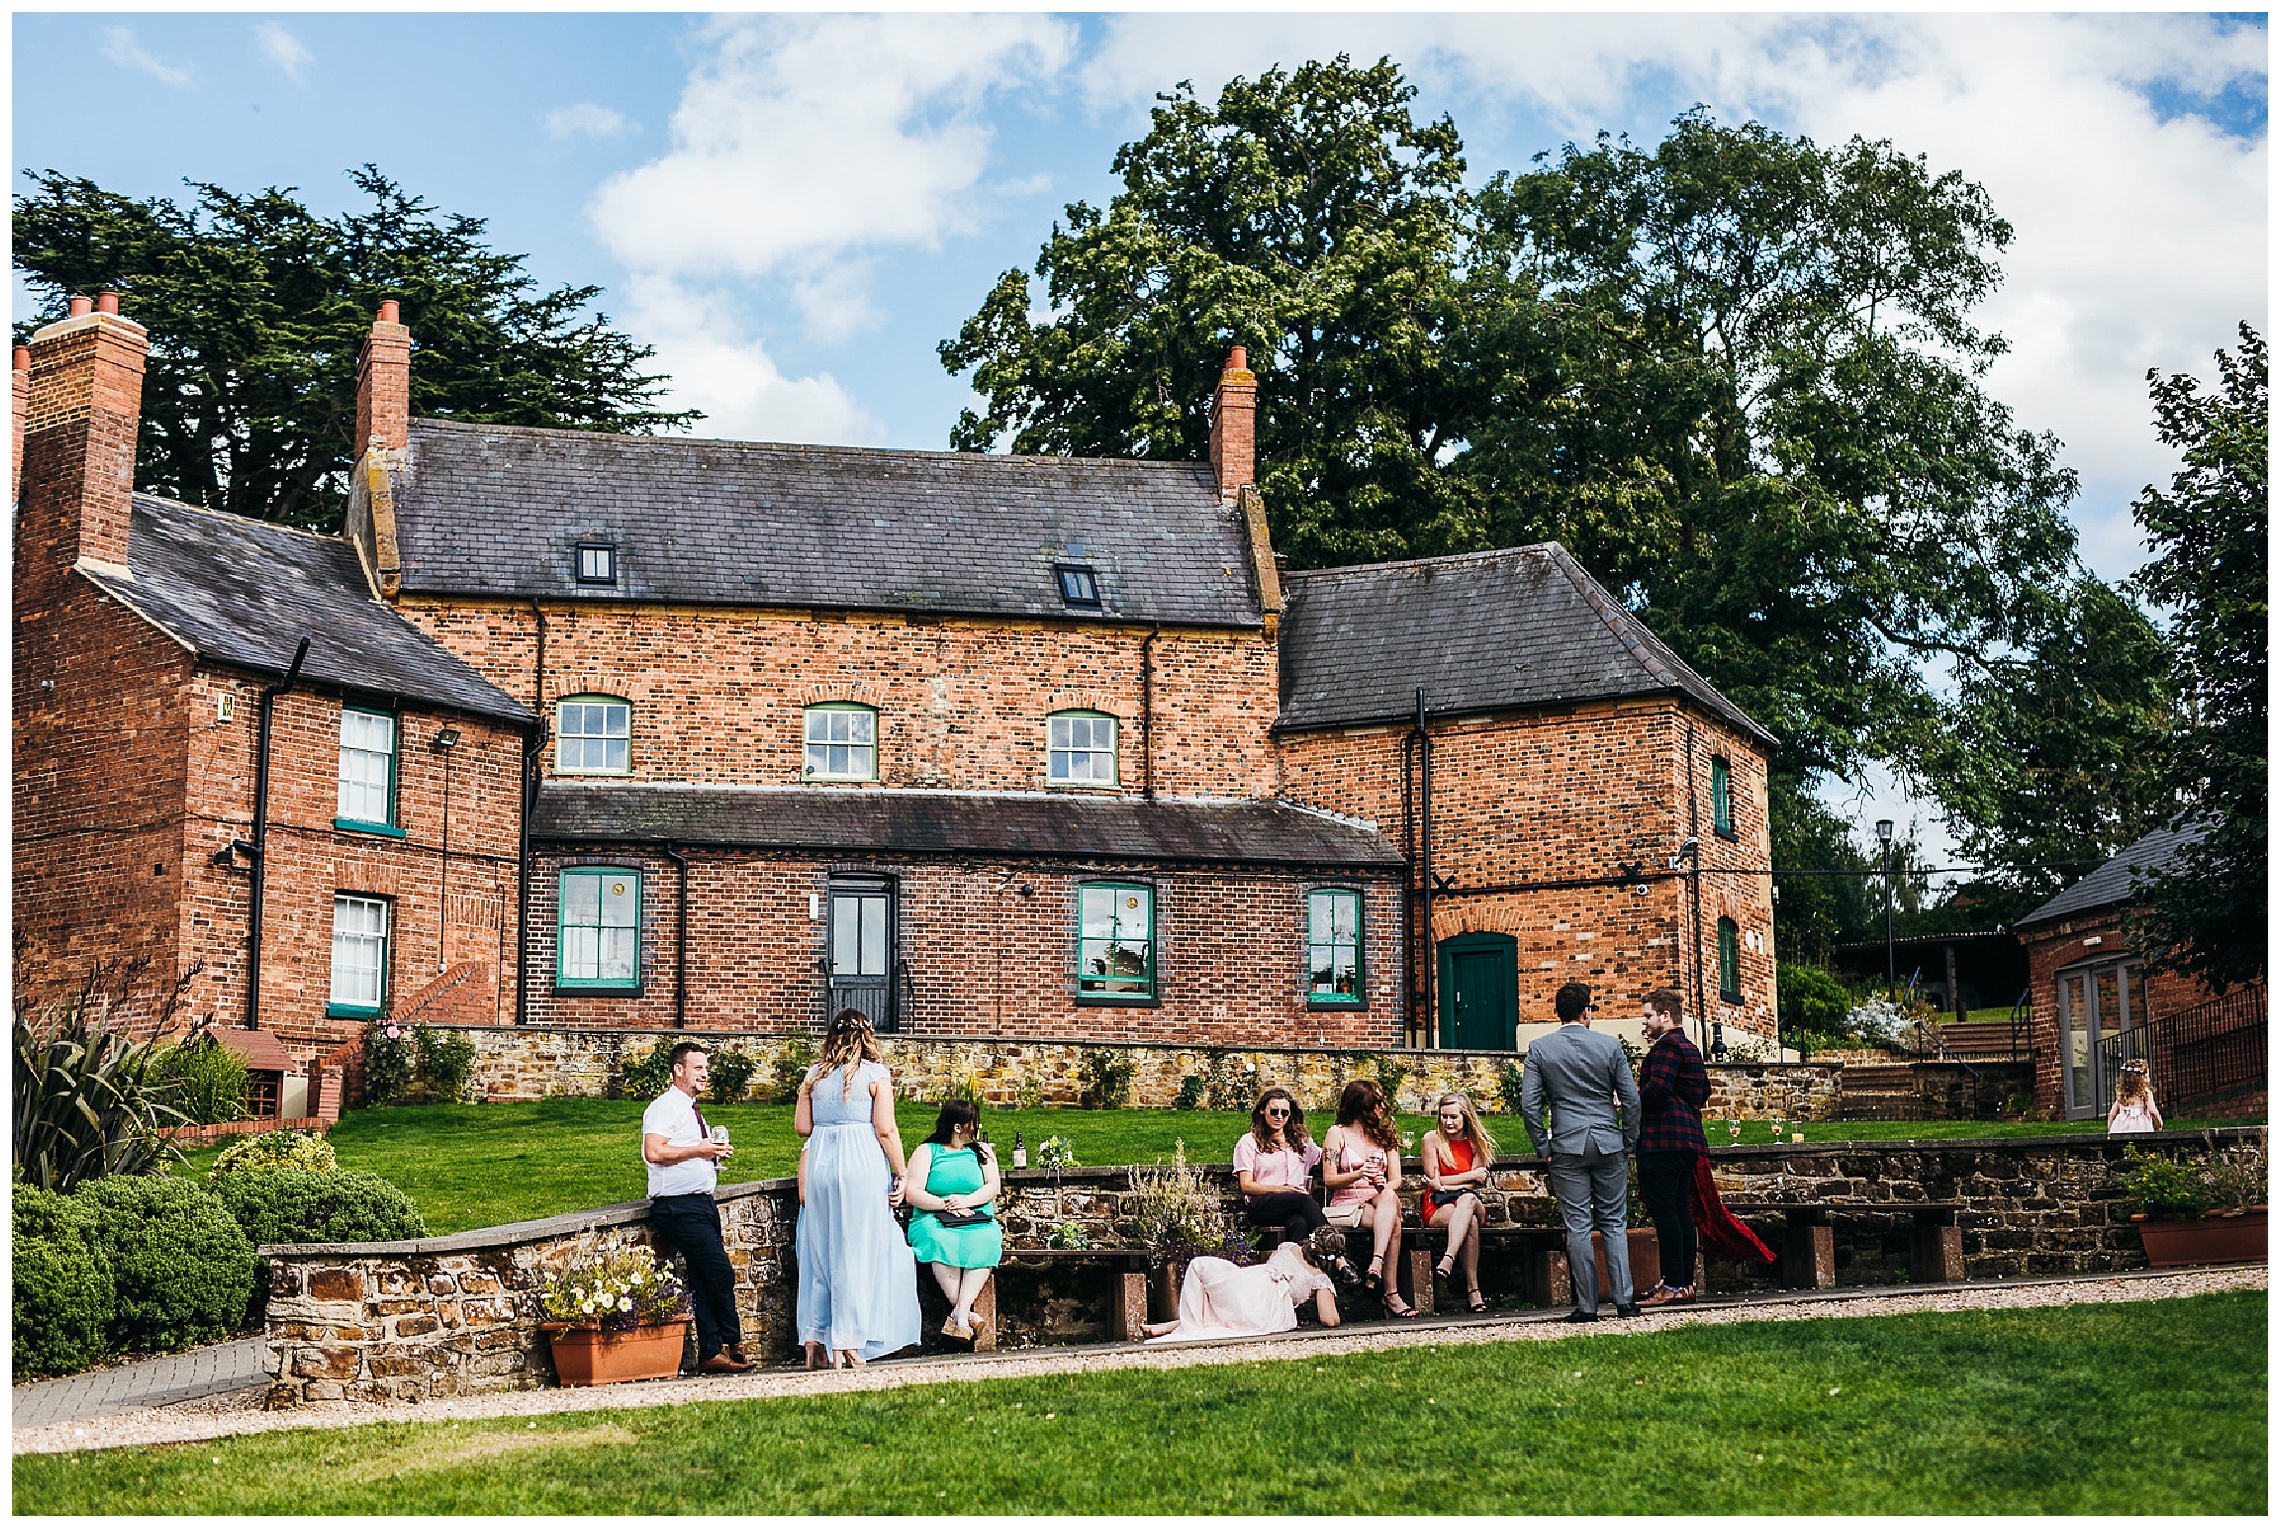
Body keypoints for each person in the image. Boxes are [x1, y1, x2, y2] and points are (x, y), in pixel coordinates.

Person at [795, 1008, 921, 1368]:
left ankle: (814, 1336)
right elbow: (885, 1130)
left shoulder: (813, 1076)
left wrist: (815, 1102)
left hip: (821, 1164)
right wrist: (902, 1172)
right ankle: (847, 1341)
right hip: (859, 1165)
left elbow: (803, 1128)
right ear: (868, 1037)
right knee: (853, 1251)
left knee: (822, 1252)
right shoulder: (875, 1075)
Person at [1519, 981, 1643, 1322]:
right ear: (1586, 1010)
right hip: (1607, 1142)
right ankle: (1624, 1301)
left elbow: (1529, 1105)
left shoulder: (1540, 1048)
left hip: (1567, 1145)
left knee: (1577, 1225)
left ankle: (1587, 1306)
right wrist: (1628, 1140)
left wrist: (1543, 1145)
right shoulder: (1609, 1044)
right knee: (1615, 1222)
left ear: (1558, 1012)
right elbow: (1631, 1100)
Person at [640, 1041, 752, 1373]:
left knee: (704, 1277)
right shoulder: (664, 1107)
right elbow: (654, 1151)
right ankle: (734, 1341)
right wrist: (699, 1150)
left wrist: (711, 1156)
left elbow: (687, 1148)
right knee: (719, 1270)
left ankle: (710, 1353)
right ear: (679, 1070)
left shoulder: (690, 1108)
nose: (705, 1074)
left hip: (701, 1204)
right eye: (698, 1068)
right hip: (677, 1207)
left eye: (706, 1068)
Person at [1633, 988, 1709, 1308]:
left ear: (1666, 1016)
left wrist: (1627, 1097)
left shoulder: (1666, 1047)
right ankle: (1683, 1283)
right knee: (1681, 1212)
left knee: (1666, 1214)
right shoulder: (1690, 1048)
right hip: (1688, 1140)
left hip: (1662, 1141)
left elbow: (1656, 1091)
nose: (1645, 1022)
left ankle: (1675, 1284)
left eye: (1649, 1015)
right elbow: (1703, 1091)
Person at [1142, 1226, 1349, 1343]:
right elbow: (1330, 1320)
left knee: (1200, 1267)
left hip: (1249, 1285)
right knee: (1222, 1312)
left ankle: (1171, 1326)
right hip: (1261, 1302)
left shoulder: (1290, 1249)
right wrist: (1338, 1273)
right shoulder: (1320, 1278)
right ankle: (1181, 1326)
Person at [905, 1098, 1004, 1341]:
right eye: (974, 1123)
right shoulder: (927, 1151)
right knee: (938, 1239)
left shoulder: (982, 1152)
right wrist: (945, 1204)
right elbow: (913, 1191)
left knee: (987, 1240)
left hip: (974, 1217)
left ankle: (960, 1315)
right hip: (933, 1217)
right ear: (958, 1127)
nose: (977, 1128)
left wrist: (965, 1202)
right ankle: (965, 1315)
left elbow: (993, 1186)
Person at [1322, 1079, 1416, 1317]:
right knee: (1394, 1222)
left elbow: (1397, 1180)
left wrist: (1383, 1184)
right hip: (1349, 1203)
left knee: (1389, 1197)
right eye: (1377, 1103)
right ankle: (1391, 1294)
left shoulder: (1385, 1134)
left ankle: (1376, 1264)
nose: (1382, 1107)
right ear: (1361, 1107)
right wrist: (1358, 1173)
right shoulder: (1337, 1134)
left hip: (1378, 1198)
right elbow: (1329, 1180)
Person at [1420, 1091, 1498, 1314]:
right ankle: (1474, 1291)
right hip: (1437, 1204)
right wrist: (1469, 1176)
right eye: (1444, 1117)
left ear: (1466, 1117)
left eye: (1454, 1117)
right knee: (1470, 1223)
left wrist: (1447, 1183)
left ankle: (1449, 1258)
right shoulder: (1431, 1140)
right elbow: (1435, 1183)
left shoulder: (1477, 1143)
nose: (1448, 1122)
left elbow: (1471, 1188)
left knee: (1468, 1199)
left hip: (1470, 1202)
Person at [1232, 1088, 1332, 1245]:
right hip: (1263, 1204)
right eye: (1274, 1112)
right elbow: (1246, 1185)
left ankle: (1297, 1267)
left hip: (1293, 1206)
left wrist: (1337, 1140)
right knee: (1302, 1199)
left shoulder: (1302, 1142)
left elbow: (1326, 1157)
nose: (1279, 1117)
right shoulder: (1249, 1142)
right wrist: (1285, 1189)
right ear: (1262, 1111)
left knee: (1299, 1223)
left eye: (1284, 1113)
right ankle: (1332, 1245)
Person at [2108, 1059, 2164, 1133]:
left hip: (2122, 1126)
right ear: (2141, 1078)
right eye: (2147, 1076)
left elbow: (2112, 1113)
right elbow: (2152, 1110)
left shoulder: (2122, 1093)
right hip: (2140, 1126)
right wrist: (2159, 1122)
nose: (2149, 1079)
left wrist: (2110, 1128)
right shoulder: (2145, 1092)